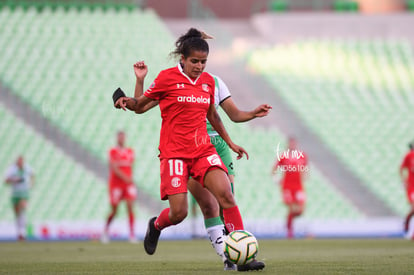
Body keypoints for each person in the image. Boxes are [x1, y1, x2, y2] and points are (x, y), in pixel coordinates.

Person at [115, 28, 263, 271]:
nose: (199, 66)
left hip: (203, 151)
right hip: (174, 154)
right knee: (179, 213)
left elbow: (213, 115)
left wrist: (230, 142)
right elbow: (139, 106)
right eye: (194, 61)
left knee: (226, 195)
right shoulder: (166, 78)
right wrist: (136, 85)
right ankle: (156, 226)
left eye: (203, 62)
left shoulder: (208, 82)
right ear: (182, 59)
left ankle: (242, 256)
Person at [102, 130, 137, 243]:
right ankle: (106, 231)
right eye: (119, 137)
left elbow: (130, 166)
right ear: (117, 138)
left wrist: (129, 179)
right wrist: (125, 177)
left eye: (123, 137)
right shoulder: (113, 151)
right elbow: (114, 168)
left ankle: (132, 235)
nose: (121, 139)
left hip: (128, 184)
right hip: (116, 184)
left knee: (130, 206)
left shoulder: (130, 151)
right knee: (114, 210)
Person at [272, 137, 308, 239]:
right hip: (287, 186)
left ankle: (288, 224)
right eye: (291, 143)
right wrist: (276, 179)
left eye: (294, 143)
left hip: (298, 186)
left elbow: (305, 168)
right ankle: (290, 231)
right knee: (292, 208)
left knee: (300, 210)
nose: (292, 145)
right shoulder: (283, 156)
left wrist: (305, 175)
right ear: (288, 145)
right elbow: (274, 169)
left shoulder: (302, 156)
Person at [4, 155, 35, 241]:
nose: (20, 163)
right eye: (19, 161)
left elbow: (33, 175)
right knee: (17, 213)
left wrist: (32, 184)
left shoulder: (27, 167)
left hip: (24, 193)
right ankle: (19, 233)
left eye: (22, 161)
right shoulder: (11, 169)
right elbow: (5, 181)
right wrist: (14, 180)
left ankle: (23, 232)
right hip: (14, 194)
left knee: (23, 208)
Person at [400, 142, 414, 239]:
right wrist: (404, 181)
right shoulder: (409, 155)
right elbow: (402, 168)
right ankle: (407, 223)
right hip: (412, 187)